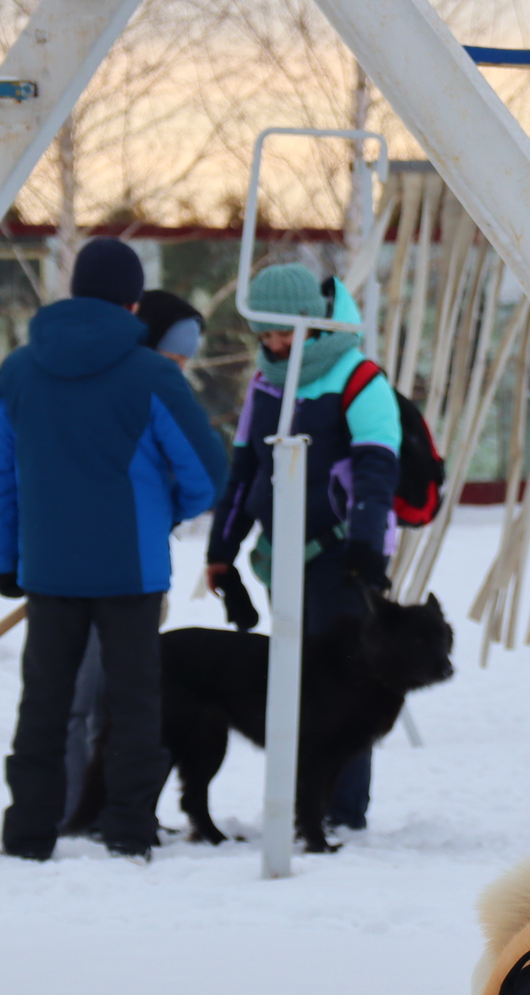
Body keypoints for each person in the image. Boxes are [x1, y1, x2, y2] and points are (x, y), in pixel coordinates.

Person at [0, 239, 227, 861]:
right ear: (134, 302)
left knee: (44, 702)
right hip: (131, 571)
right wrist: (157, 515)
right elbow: (206, 473)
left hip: (49, 569)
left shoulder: (20, 370)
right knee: (136, 705)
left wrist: (6, 561)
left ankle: (29, 833)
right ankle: (128, 830)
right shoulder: (150, 376)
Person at [205, 264, 400, 833]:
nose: (272, 344)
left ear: (313, 324)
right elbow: (246, 469)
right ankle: (304, 801)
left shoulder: (359, 377)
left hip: (341, 557)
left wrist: (367, 549)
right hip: (281, 557)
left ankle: (340, 809)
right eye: (264, 334)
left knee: (343, 683)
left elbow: (376, 467)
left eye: (283, 333)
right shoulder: (266, 383)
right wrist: (223, 548)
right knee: (296, 679)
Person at [61, 289, 207, 835]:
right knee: (75, 698)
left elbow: (188, 475)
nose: (179, 370)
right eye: (173, 358)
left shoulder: (160, 395)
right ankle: (71, 810)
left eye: (186, 362)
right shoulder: (95, 388)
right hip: (76, 566)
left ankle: (114, 808)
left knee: (116, 703)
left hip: (139, 569)